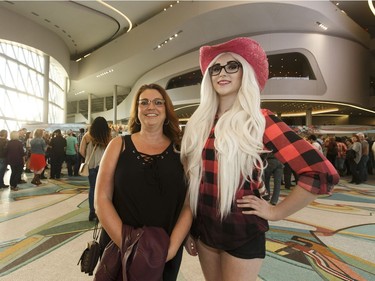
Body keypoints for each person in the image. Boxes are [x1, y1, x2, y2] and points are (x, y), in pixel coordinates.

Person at [180, 37, 339, 281]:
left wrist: (276, 212)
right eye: (216, 68)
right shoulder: (198, 125)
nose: (223, 73)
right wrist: (189, 229)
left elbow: (319, 172)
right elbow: (192, 181)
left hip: (242, 231)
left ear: (246, 73)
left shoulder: (260, 121)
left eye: (232, 66)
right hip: (204, 229)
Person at [95, 84, 191, 280]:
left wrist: (170, 250)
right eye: (144, 102)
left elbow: (189, 205)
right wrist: (129, 245)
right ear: (137, 110)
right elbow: (101, 199)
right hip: (119, 246)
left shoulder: (181, 150)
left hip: (164, 250)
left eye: (158, 102)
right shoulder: (118, 145)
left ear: (167, 109)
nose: (150, 107)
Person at [80, 117, 111, 221]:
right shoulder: (107, 136)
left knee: (93, 188)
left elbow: (81, 151)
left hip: (91, 166)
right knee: (104, 190)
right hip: (105, 166)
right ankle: (101, 213)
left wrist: (88, 157)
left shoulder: (87, 136)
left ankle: (92, 212)